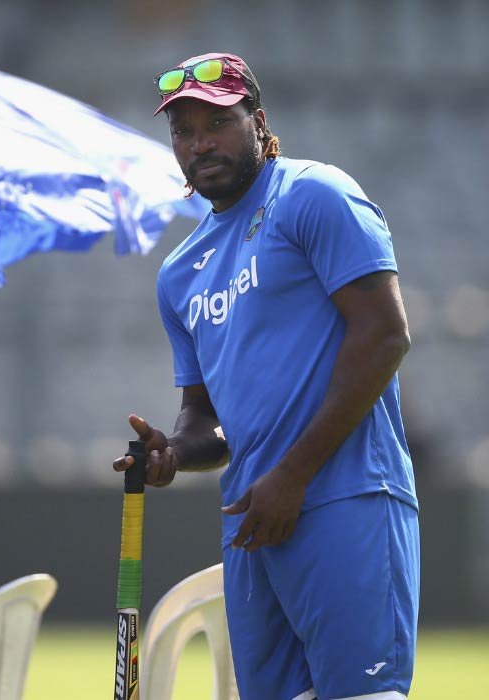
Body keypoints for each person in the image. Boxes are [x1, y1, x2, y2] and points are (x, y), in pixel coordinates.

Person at [113, 52, 420, 700]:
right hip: (253, 522)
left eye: (216, 123)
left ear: (257, 119)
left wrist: (295, 474)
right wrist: (173, 454)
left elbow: (386, 334)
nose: (199, 144)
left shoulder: (314, 194)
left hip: (345, 498)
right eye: (183, 131)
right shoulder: (179, 272)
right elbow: (206, 419)